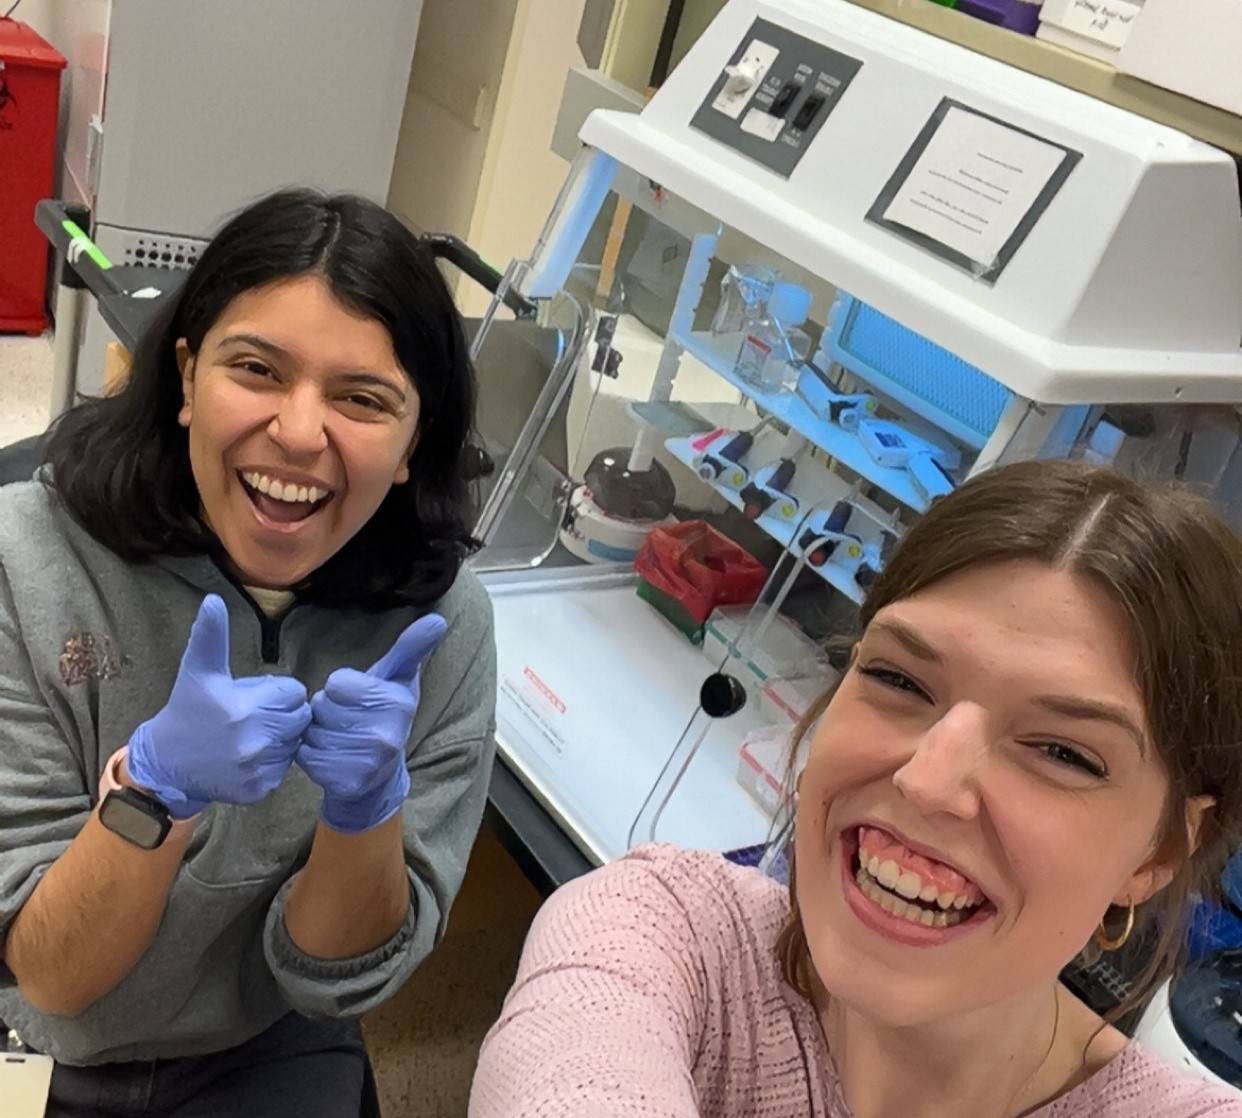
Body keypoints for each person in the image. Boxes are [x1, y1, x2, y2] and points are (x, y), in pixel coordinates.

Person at [470, 459, 1242, 1118]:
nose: (929, 780)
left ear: (1163, 847)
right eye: (899, 678)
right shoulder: (666, 935)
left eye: (1063, 752)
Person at [0, 189, 497, 1116]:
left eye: (361, 398)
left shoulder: (442, 629)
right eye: (258, 369)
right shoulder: (25, 562)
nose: (301, 434)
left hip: (260, 1041)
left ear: (411, 441)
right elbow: (49, 975)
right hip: (38, 1042)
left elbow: (328, 983)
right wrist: (151, 796)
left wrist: (365, 813)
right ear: (187, 379)